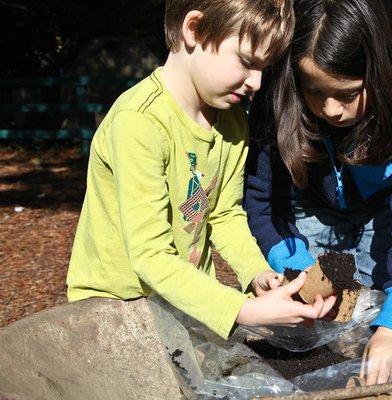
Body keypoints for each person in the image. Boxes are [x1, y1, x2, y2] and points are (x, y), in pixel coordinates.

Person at [66, 0, 336, 341]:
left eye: (264, 69)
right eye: (247, 62)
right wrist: (242, 310)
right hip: (115, 313)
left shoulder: (233, 122)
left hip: (184, 305)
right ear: (194, 30)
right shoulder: (139, 123)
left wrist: (256, 273)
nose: (256, 82)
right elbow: (149, 255)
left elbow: (225, 214)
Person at [244, 0, 392, 385]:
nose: (330, 110)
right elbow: (264, 200)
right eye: (314, 91)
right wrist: (295, 267)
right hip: (311, 206)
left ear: (384, 73)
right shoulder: (278, 93)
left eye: (347, 94)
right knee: (311, 323)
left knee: (385, 317)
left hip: (385, 211)